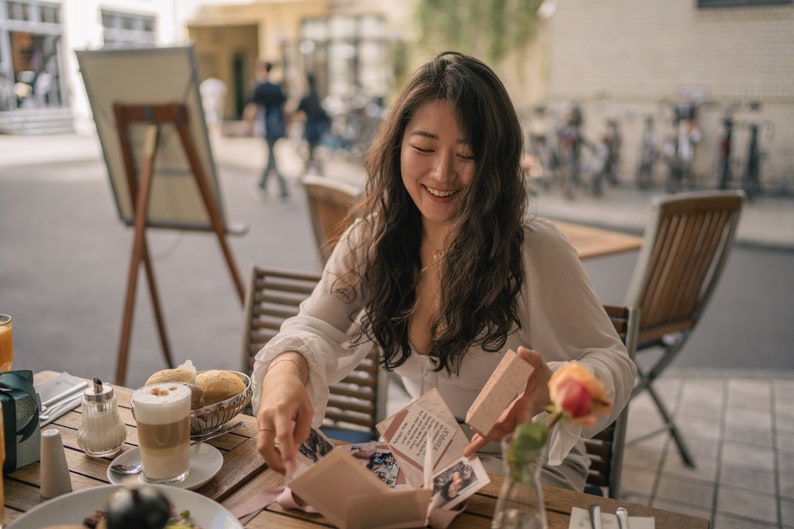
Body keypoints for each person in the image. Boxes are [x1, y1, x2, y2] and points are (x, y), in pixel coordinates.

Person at [251, 51, 636, 492]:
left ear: (495, 162)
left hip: (523, 469)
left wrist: (557, 387)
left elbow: (614, 364)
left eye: (467, 154)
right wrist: (286, 369)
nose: (442, 172)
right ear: (398, 146)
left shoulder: (534, 248)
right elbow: (316, 323)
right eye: (424, 148)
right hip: (427, 456)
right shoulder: (373, 239)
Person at [248, 61, 289, 200]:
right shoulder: (277, 87)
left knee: (272, 159)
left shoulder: (260, 87)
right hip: (277, 126)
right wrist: (286, 127)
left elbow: (253, 108)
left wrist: (247, 126)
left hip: (266, 127)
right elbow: (285, 109)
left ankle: (283, 192)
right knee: (270, 157)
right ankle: (262, 186)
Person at [294, 73, 330, 177]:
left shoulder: (307, 97)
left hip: (311, 129)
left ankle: (307, 175)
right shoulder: (318, 96)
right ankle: (312, 174)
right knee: (312, 152)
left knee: (311, 152)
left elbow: (298, 111)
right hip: (318, 129)